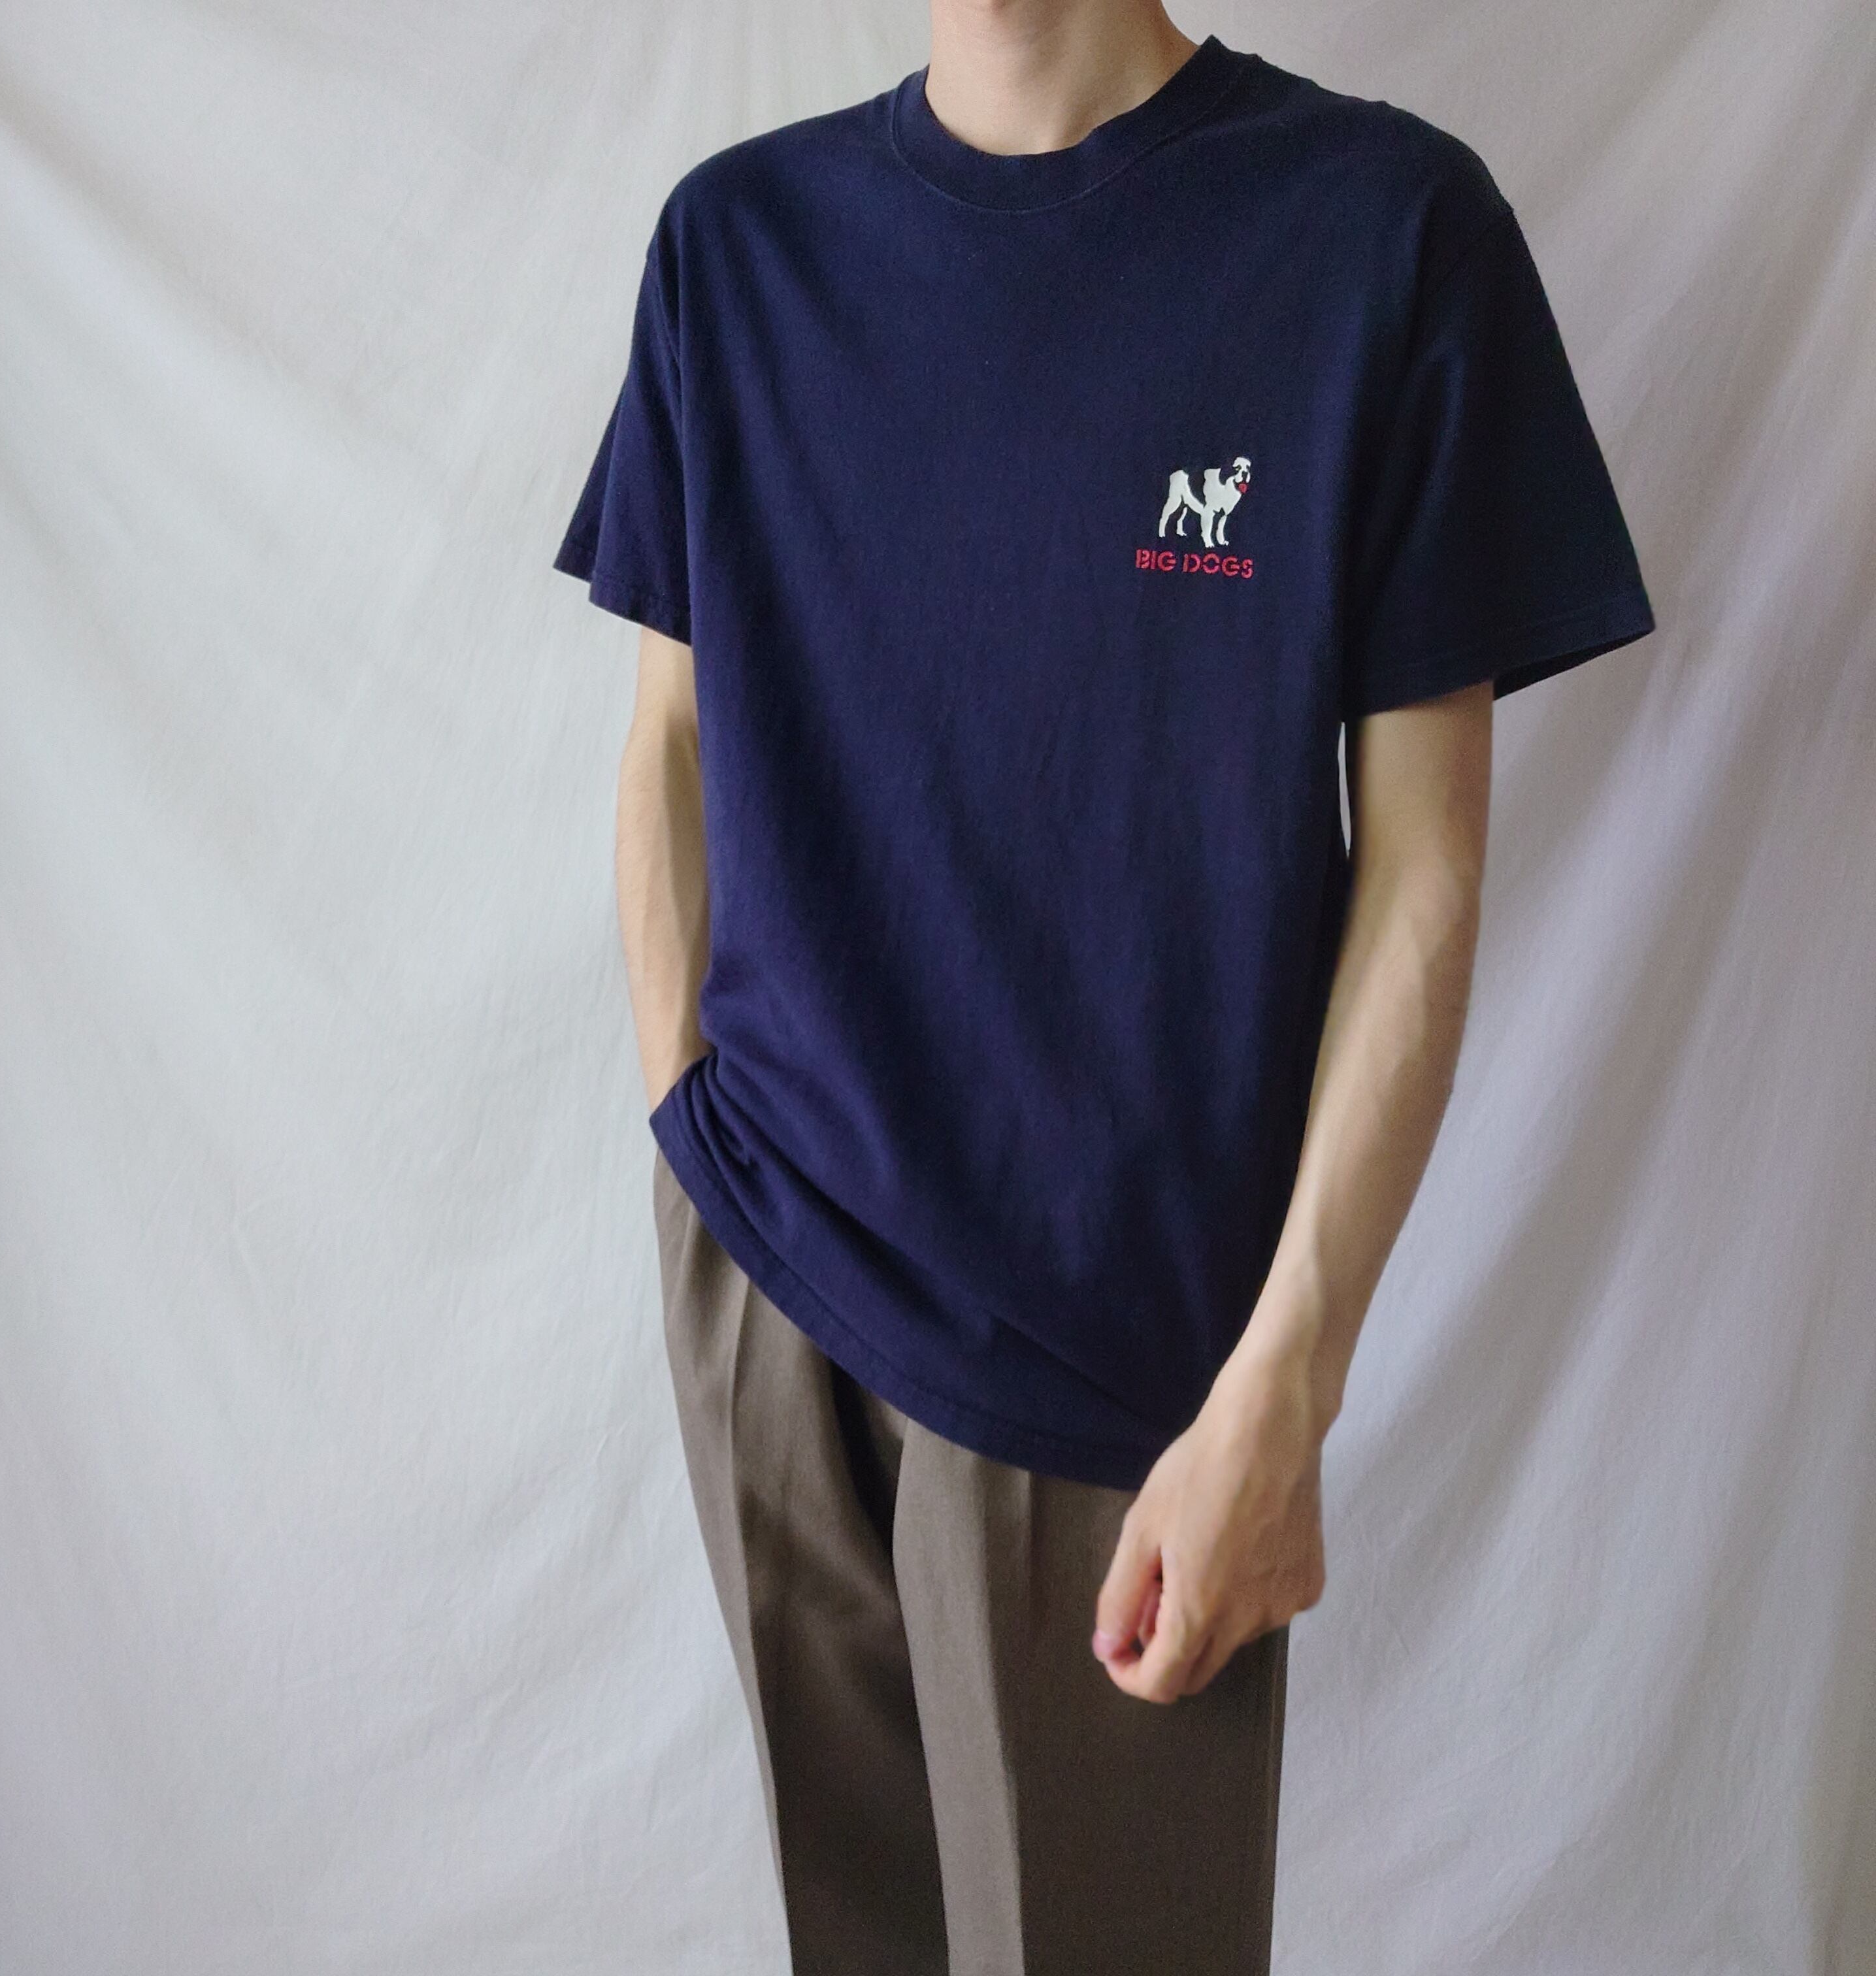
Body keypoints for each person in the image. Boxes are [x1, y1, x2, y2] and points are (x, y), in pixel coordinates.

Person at [554, 3, 1656, 1968]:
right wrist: (686, 1134)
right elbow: (670, 739)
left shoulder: (1379, 232)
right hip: (769, 1272)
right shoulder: (738, 248)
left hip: (1126, 1347)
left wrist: (1283, 1388)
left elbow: (1424, 868)